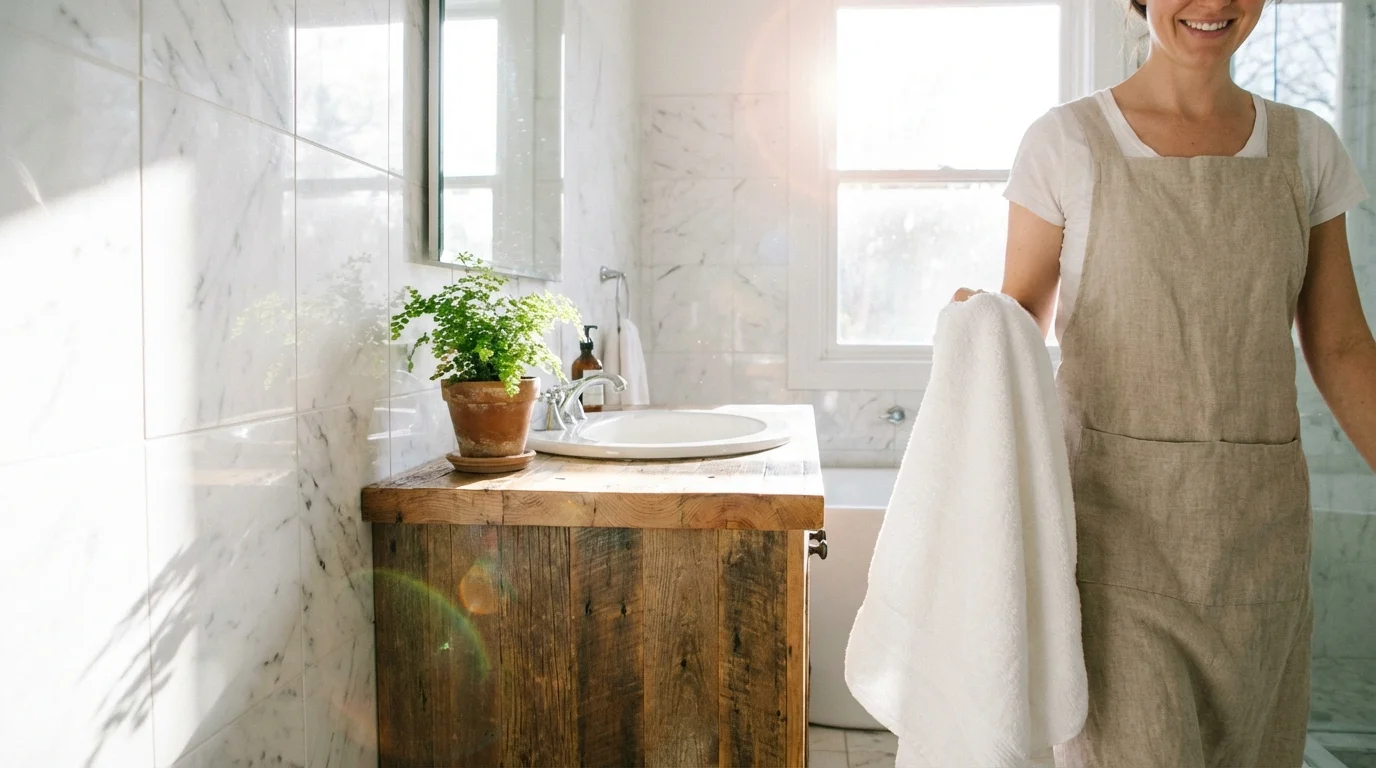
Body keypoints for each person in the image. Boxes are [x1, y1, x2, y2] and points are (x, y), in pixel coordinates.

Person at [954, 0, 1376, 765]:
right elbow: (1017, 329)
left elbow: (1344, 346)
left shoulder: (1305, 148)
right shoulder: (1068, 143)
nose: (1212, 4)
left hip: (1262, 547)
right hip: (1115, 549)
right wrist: (978, 323)